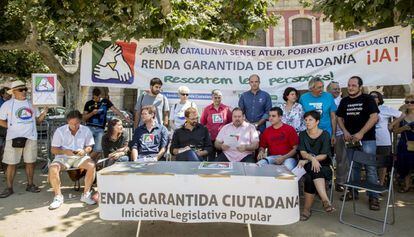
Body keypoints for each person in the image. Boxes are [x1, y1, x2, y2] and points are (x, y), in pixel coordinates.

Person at [336, 76, 381, 211]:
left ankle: (373, 197)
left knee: (370, 168)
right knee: (353, 167)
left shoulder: (368, 99)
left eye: (354, 85)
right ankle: (353, 192)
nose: (350, 87)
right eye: (349, 85)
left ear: (360, 87)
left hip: (367, 139)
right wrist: (344, 131)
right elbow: (339, 117)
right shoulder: (344, 101)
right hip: (350, 140)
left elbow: (374, 117)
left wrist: (361, 132)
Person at [0, 81, 48, 198]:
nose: (24, 92)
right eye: (21, 90)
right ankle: (9, 187)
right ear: (14, 92)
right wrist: (11, 128)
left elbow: (37, 121)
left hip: (31, 137)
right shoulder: (7, 105)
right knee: (11, 163)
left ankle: (30, 184)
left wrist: (45, 111)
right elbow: (1, 120)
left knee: (30, 162)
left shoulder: (32, 104)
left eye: (25, 89)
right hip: (13, 138)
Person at [48, 110, 96, 209]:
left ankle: (86, 194)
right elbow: (53, 150)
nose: (73, 126)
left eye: (76, 124)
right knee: (53, 168)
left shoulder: (86, 130)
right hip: (63, 157)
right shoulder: (60, 131)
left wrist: (84, 150)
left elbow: (90, 146)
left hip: (80, 157)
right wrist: (64, 151)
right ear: (67, 122)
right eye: (71, 124)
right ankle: (58, 197)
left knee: (92, 165)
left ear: (80, 121)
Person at [298, 110, 334, 221]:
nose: (307, 122)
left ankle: (306, 210)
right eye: (306, 120)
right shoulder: (303, 134)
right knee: (313, 169)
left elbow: (324, 155)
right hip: (307, 164)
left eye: (310, 120)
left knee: (310, 176)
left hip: (323, 165)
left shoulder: (325, 134)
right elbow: (303, 153)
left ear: (317, 121)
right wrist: (312, 159)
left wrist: (312, 160)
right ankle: (325, 200)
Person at [83, 87, 128, 161]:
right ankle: (89, 164)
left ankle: (86, 161)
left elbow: (115, 110)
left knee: (98, 149)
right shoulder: (88, 103)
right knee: (88, 147)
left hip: (100, 129)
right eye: (95, 97)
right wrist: (92, 113)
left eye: (99, 97)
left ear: (101, 95)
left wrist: (124, 117)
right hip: (89, 127)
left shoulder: (105, 102)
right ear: (93, 95)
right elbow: (84, 118)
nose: (97, 99)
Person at [369, 91, 401, 186]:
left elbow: (401, 115)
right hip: (369, 141)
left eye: (375, 96)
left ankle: (381, 185)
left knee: (382, 165)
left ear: (379, 99)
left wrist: (391, 124)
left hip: (383, 141)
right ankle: (372, 184)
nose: (372, 98)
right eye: (370, 97)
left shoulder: (385, 108)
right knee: (370, 165)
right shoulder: (365, 109)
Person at [326, 81, 347, 192]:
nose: (337, 90)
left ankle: (340, 182)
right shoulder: (325, 100)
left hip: (339, 134)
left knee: (341, 159)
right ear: (327, 90)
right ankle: (327, 181)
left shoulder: (343, 102)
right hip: (326, 134)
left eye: (338, 88)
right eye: (334, 89)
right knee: (326, 159)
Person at [200, 89, 232, 161]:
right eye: (215, 97)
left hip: (222, 140)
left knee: (222, 160)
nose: (217, 99)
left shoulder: (226, 109)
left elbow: (230, 123)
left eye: (219, 97)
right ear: (212, 98)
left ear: (221, 98)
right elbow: (202, 123)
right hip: (210, 139)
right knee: (210, 160)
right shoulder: (207, 109)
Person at [393, 95, 414, 193]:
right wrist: (404, 128)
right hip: (405, 144)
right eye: (407, 102)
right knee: (406, 165)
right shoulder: (401, 115)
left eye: (412, 102)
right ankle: (407, 185)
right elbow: (395, 131)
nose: (409, 104)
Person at [0, 87, 11, 172]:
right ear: (3, 94)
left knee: (6, 148)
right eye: (7, 93)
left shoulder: (12, 102)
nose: (9, 95)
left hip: (9, 128)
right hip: (1, 127)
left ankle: (5, 166)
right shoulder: (1, 102)